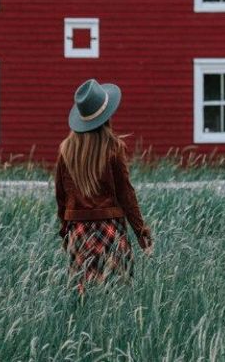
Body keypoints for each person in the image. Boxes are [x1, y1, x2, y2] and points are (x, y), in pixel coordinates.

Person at [55, 78, 153, 292]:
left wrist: (66, 232)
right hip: (110, 229)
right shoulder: (114, 148)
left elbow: (61, 198)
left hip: (78, 232)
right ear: (106, 116)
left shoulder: (66, 149)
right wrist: (140, 232)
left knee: (82, 297)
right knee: (116, 296)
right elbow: (126, 194)